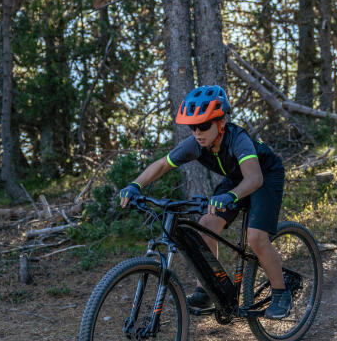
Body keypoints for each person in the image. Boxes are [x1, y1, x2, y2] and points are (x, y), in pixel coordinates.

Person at [118, 85, 291, 319]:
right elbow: (161, 165)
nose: (197, 132)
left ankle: (281, 293)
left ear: (220, 122)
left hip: (264, 176)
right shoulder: (195, 144)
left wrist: (230, 196)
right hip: (236, 179)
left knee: (256, 238)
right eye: (193, 127)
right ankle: (207, 289)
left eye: (203, 125)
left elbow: (254, 178)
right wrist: (135, 185)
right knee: (206, 226)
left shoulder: (237, 139)